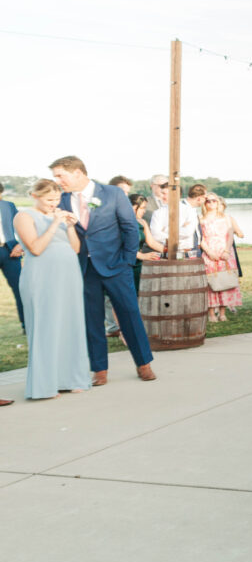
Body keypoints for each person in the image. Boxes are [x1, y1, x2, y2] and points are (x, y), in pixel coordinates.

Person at [50, 156, 156, 386]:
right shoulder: (63, 199)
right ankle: (99, 369)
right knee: (92, 320)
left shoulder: (113, 194)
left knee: (129, 315)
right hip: (84, 268)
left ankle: (144, 364)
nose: (57, 181)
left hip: (117, 267)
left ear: (77, 172)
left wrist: (127, 261)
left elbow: (129, 227)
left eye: (60, 175)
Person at [13, 179, 91, 399]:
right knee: (46, 326)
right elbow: (36, 248)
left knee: (70, 325)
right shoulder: (24, 216)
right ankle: (46, 385)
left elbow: (75, 248)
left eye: (56, 199)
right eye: (48, 199)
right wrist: (55, 223)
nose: (53, 203)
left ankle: (71, 378)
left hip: (69, 276)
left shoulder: (59, 216)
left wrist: (69, 226)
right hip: (42, 277)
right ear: (35, 196)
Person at [200, 192, 243, 322]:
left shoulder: (226, 217)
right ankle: (212, 313)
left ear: (218, 202)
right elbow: (200, 238)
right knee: (211, 283)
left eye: (214, 200)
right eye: (208, 201)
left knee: (226, 281)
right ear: (204, 203)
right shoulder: (200, 219)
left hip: (225, 252)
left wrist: (227, 251)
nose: (211, 203)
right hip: (209, 252)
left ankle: (223, 312)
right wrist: (208, 252)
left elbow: (230, 235)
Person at [150, 183, 204, 258]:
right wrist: (180, 229)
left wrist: (165, 229)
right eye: (162, 193)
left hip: (187, 254)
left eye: (165, 194)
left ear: (175, 194)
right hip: (165, 254)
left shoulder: (190, 211)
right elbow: (155, 235)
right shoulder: (157, 213)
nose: (162, 196)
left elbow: (188, 232)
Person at [0, 181, 25, 332]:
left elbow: (24, 225)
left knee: (20, 288)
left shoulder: (8, 206)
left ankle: (27, 325)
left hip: (9, 252)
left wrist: (21, 244)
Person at [127, 194, 163, 291]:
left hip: (138, 264)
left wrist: (170, 251)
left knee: (138, 293)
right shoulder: (123, 222)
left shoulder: (142, 222)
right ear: (134, 207)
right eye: (142, 208)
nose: (145, 211)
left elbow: (151, 242)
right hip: (125, 263)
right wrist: (143, 256)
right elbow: (122, 245)